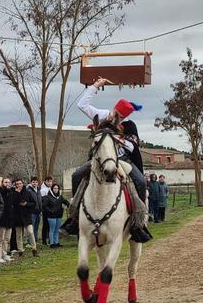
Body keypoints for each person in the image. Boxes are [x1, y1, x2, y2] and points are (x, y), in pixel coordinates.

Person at [63, 76, 153, 242]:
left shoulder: (129, 126)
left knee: (140, 181)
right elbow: (81, 105)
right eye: (113, 112)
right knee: (76, 175)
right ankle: (74, 218)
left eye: (117, 115)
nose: (113, 116)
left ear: (123, 117)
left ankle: (139, 223)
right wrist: (95, 86)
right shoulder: (102, 116)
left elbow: (133, 147)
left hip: (123, 161)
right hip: (99, 160)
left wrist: (119, 139)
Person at [12, 178, 38, 256]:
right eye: (17, 184)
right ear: (15, 185)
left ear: (22, 184)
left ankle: (34, 249)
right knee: (19, 235)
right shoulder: (13, 193)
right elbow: (13, 203)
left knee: (30, 232)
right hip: (17, 216)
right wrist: (17, 193)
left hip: (26, 216)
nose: (19, 185)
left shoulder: (27, 192)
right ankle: (20, 251)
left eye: (20, 183)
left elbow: (34, 203)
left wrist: (26, 204)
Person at [41, 183, 66, 247]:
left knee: (57, 230)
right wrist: (50, 211)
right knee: (52, 229)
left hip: (59, 215)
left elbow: (65, 201)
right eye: (54, 188)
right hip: (51, 216)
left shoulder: (60, 196)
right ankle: (52, 243)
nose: (56, 190)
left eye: (57, 188)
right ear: (52, 189)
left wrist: (69, 205)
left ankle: (56, 242)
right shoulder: (48, 197)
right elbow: (44, 205)